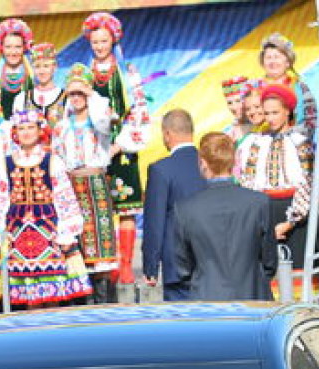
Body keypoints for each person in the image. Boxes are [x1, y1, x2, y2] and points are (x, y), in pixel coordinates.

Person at [0, 109, 91, 308]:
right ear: (15, 132)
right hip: (17, 233)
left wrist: (66, 232)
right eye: (21, 128)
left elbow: (65, 199)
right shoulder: (6, 163)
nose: (26, 132)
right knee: (28, 298)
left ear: (39, 131)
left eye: (30, 127)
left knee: (52, 294)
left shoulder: (52, 161)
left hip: (47, 232)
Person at [83, 12, 149, 286]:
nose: (99, 46)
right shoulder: (85, 74)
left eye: (104, 40)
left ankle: (124, 266)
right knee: (101, 208)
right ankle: (106, 263)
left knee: (125, 208)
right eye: (95, 41)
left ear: (113, 40)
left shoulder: (127, 71)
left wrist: (119, 144)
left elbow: (139, 110)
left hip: (122, 147)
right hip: (94, 147)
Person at [173, 131, 277, 301]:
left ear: (203, 162)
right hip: (253, 296)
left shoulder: (185, 208)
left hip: (206, 299)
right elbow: (269, 261)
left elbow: (182, 267)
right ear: (234, 160)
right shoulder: (259, 202)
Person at [54, 65, 118, 300]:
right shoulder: (62, 126)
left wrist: (90, 93)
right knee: (76, 239)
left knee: (99, 244)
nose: (77, 98)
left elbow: (105, 120)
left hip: (95, 184)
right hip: (72, 186)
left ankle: (102, 300)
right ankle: (81, 296)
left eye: (81, 93)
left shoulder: (97, 119)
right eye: (72, 94)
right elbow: (58, 156)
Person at [236, 84, 314, 268]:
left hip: (295, 214)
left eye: (275, 113)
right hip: (264, 212)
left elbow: (308, 183)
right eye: (267, 113)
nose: (270, 118)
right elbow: (248, 181)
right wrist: (260, 223)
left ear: (287, 111)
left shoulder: (300, 142)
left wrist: (290, 222)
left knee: (297, 269)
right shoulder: (256, 142)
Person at [142, 108, 206, 301]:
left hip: (177, 264)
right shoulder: (209, 164)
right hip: (211, 261)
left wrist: (150, 266)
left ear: (167, 134)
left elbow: (155, 220)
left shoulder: (161, 169)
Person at [258, 32, 316, 137]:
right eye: (268, 57)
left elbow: (310, 121)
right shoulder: (254, 88)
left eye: (277, 57)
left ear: (288, 62)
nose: (272, 61)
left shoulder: (299, 87)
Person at [0, 18, 32, 119]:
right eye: (8, 47)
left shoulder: (33, 76)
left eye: (17, 47)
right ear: (2, 48)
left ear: (24, 47)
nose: (13, 52)